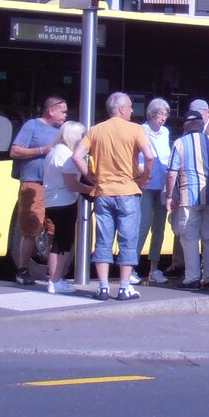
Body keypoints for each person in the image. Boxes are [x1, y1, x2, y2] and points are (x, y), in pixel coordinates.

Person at [73, 92, 154, 301]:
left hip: (103, 192)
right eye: (129, 107)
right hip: (128, 190)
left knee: (103, 239)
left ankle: (102, 287)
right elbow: (150, 156)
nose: (132, 110)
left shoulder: (95, 130)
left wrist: (91, 177)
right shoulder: (136, 129)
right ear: (121, 109)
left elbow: (77, 156)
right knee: (128, 239)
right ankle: (125, 287)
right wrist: (145, 178)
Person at [8, 96, 68, 285]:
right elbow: (15, 151)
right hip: (34, 184)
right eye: (63, 112)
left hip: (56, 187)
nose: (66, 115)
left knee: (54, 230)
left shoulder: (62, 131)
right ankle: (23, 270)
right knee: (31, 229)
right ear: (51, 110)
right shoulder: (32, 126)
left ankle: (54, 274)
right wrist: (43, 150)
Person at [165, 109, 209, 289]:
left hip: (188, 198)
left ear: (185, 126)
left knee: (189, 238)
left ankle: (191, 278)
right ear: (201, 124)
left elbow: (171, 174)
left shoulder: (179, 143)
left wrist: (169, 196)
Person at [41, 120, 92, 293]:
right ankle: (55, 281)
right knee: (63, 243)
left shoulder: (54, 152)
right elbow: (72, 184)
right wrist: (92, 190)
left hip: (52, 201)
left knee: (57, 241)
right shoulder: (67, 156)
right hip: (65, 201)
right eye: (82, 136)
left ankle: (54, 279)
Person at [136, 98, 172, 284]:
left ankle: (154, 269)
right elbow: (135, 157)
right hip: (146, 184)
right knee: (143, 225)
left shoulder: (165, 132)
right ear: (151, 114)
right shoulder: (141, 130)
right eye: (159, 114)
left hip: (163, 185)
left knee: (159, 228)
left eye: (165, 115)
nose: (163, 119)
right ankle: (131, 266)